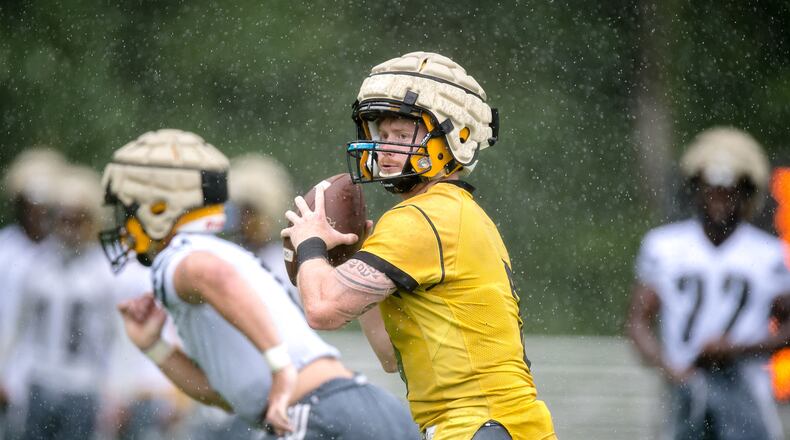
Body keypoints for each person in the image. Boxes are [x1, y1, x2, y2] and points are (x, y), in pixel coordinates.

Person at [281, 52, 556, 440]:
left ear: (455, 137)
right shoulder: (451, 211)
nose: (385, 148)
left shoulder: (422, 218)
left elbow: (323, 310)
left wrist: (310, 242)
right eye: (382, 135)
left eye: (402, 135)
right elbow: (389, 355)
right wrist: (355, 259)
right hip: (490, 425)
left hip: (478, 425)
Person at [100, 129, 418, 439]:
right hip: (356, 408)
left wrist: (280, 369)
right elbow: (232, 396)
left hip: (316, 412)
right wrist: (154, 346)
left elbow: (211, 273)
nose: (123, 222)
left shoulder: (183, 256)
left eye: (128, 210)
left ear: (158, 208)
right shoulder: (215, 253)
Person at [627, 127, 790, 439]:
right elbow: (638, 321)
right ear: (696, 189)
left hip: (747, 393)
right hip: (685, 389)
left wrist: (737, 349)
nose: (719, 201)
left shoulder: (769, 254)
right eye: (711, 190)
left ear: (746, 194)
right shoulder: (664, 246)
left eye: (729, 192)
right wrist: (668, 366)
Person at [6, 165, 123, 440]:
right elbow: (16, 325)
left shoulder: (104, 271)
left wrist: (116, 389)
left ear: (92, 221)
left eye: (78, 220)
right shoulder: (36, 264)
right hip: (39, 379)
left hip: (84, 384)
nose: (69, 228)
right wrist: (9, 373)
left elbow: (116, 338)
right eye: (64, 219)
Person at [0, 148, 66, 438]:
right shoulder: (5, 250)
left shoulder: (62, 254)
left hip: (51, 378)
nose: (38, 214)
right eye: (32, 205)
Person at [228, 153, 298, 305]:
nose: (242, 220)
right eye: (239, 211)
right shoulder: (225, 257)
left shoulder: (285, 266)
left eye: (248, 212)